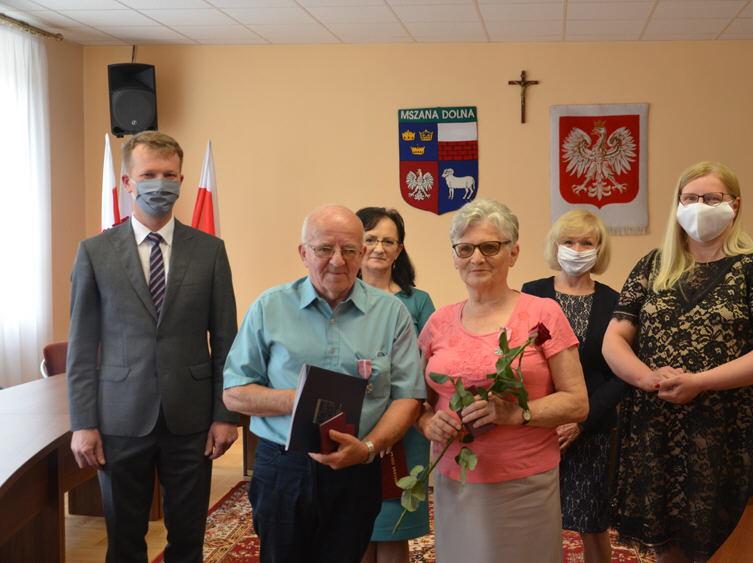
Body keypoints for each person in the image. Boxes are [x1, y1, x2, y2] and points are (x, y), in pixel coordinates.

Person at [602, 161, 753, 562]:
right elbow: (614, 339)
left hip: (722, 426)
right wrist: (649, 378)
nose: (699, 207)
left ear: (734, 205)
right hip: (655, 423)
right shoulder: (654, 265)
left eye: (711, 198)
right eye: (689, 199)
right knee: (664, 541)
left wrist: (700, 381)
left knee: (721, 544)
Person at [67, 131, 240, 563]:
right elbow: (82, 347)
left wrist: (225, 415)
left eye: (168, 174)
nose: (159, 183)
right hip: (119, 419)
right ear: (128, 182)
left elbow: (226, 340)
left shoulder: (210, 251)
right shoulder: (95, 252)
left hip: (192, 419)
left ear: (181, 180)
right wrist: (83, 423)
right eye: (148, 175)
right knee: (124, 540)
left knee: (188, 538)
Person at [222, 205, 425, 563]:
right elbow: (234, 392)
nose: (338, 260)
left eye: (349, 250)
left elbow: (408, 397)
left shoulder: (391, 313)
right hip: (284, 466)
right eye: (324, 249)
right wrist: (298, 400)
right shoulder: (269, 308)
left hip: (357, 466)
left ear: (361, 253)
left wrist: (368, 448)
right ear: (303, 253)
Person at [416, 199, 589, 563]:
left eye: (490, 247)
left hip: (522, 484)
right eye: (465, 248)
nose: (476, 258)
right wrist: (429, 422)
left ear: (514, 253)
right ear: (454, 256)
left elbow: (577, 402)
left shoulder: (543, 313)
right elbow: (420, 402)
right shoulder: (438, 323)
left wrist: (515, 414)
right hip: (455, 480)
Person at [522, 209, 623, 563]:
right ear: (555, 245)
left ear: (599, 249)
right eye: (569, 241)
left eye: (586, 243)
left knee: (592, 525)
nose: (577, 249)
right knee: (536, 521)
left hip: (592, 430)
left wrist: (581, 420)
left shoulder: (614, 302)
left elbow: (620, 374)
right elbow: (523, 361)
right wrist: (548, 415)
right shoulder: (532, 294)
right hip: (539, 427)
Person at [355, 207, 436, 563]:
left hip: (405, 425)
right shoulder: (339, 296)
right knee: (354, 529)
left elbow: (430, 363)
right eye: (370, 239)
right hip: (354, 424)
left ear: (399, 249)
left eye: (388, 241)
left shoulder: (418, 302)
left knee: (392, 529)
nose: (379, 248)